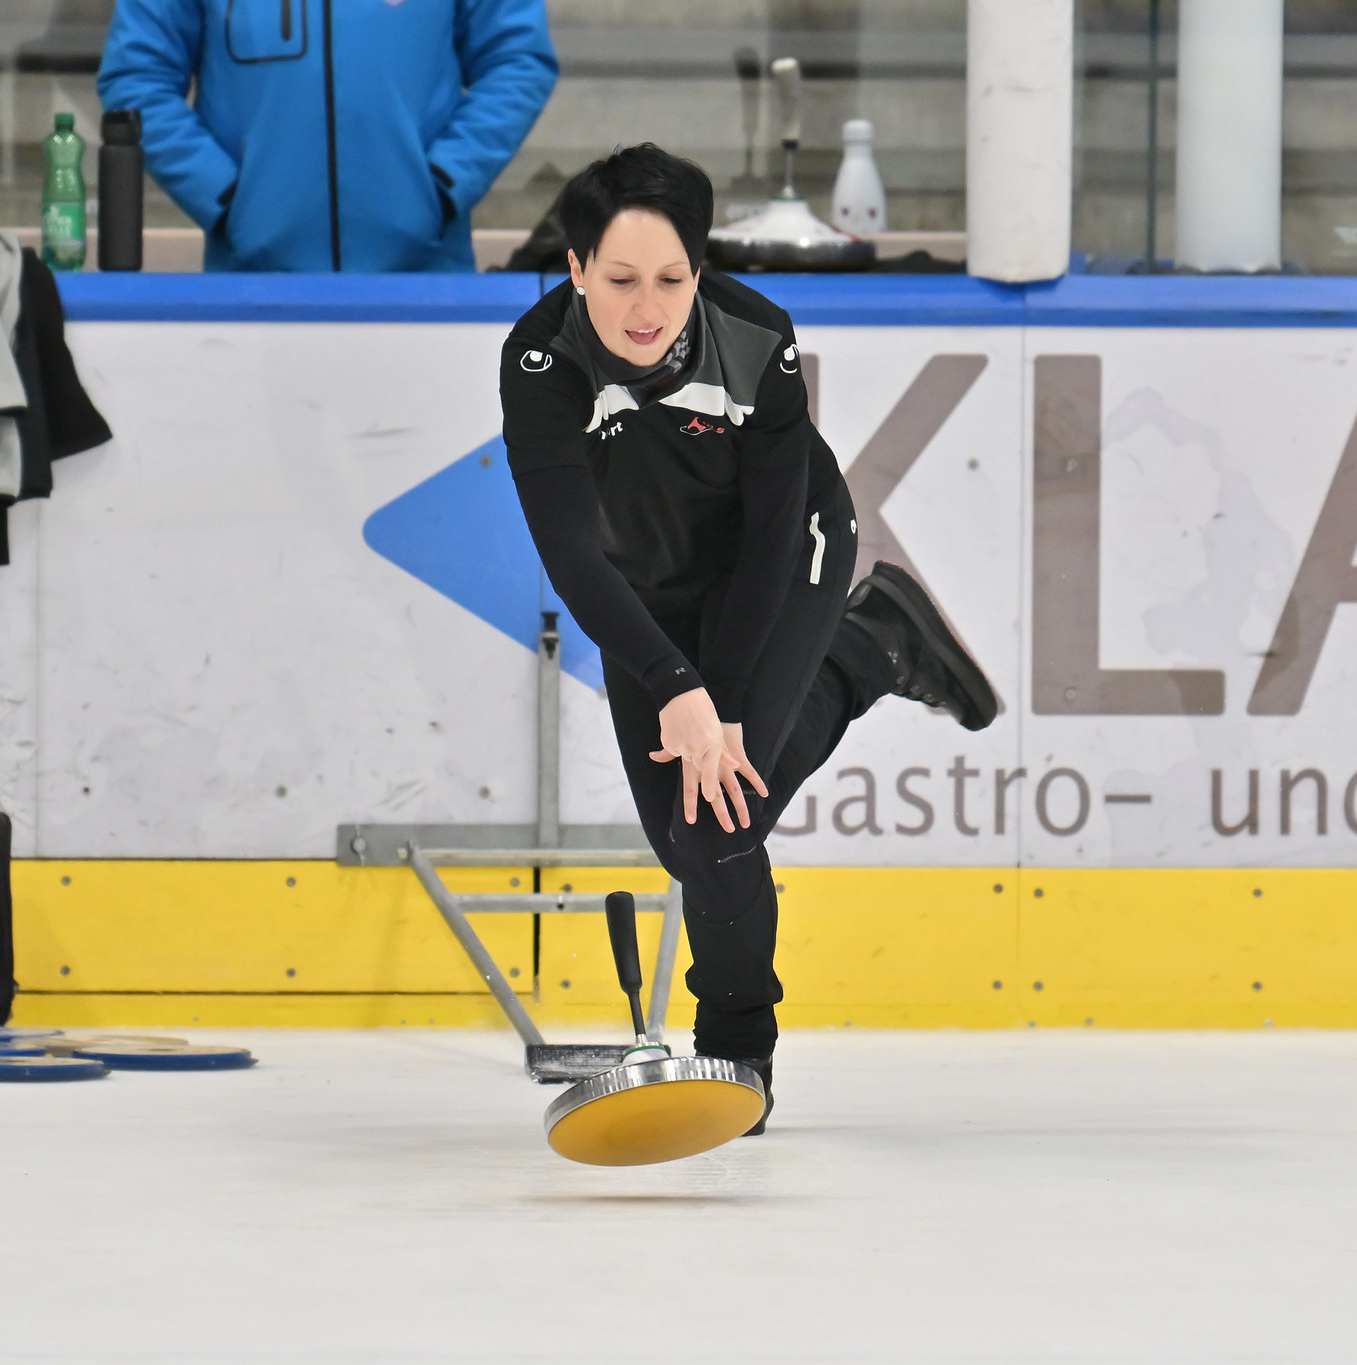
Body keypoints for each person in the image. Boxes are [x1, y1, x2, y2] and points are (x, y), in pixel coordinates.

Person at [498, 144, 999, 1133]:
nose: (647, 308)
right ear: (573, 271)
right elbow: (573, 559)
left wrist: (716, 701)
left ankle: (736, 1058)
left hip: (787, 554)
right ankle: (869, 654)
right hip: (645, 588)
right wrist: (674, 684)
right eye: (619, 280)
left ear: (702, 270)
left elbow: (773, 535)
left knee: (715, 822)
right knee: (696, 826)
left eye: (672, 280)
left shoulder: (753, 335)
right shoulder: (539, 362)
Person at [97, 0, 556, 273]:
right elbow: (138, 77)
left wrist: (441, 186)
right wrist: (226, 200)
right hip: (250, 295)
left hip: (423, 286)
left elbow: (517, 60)